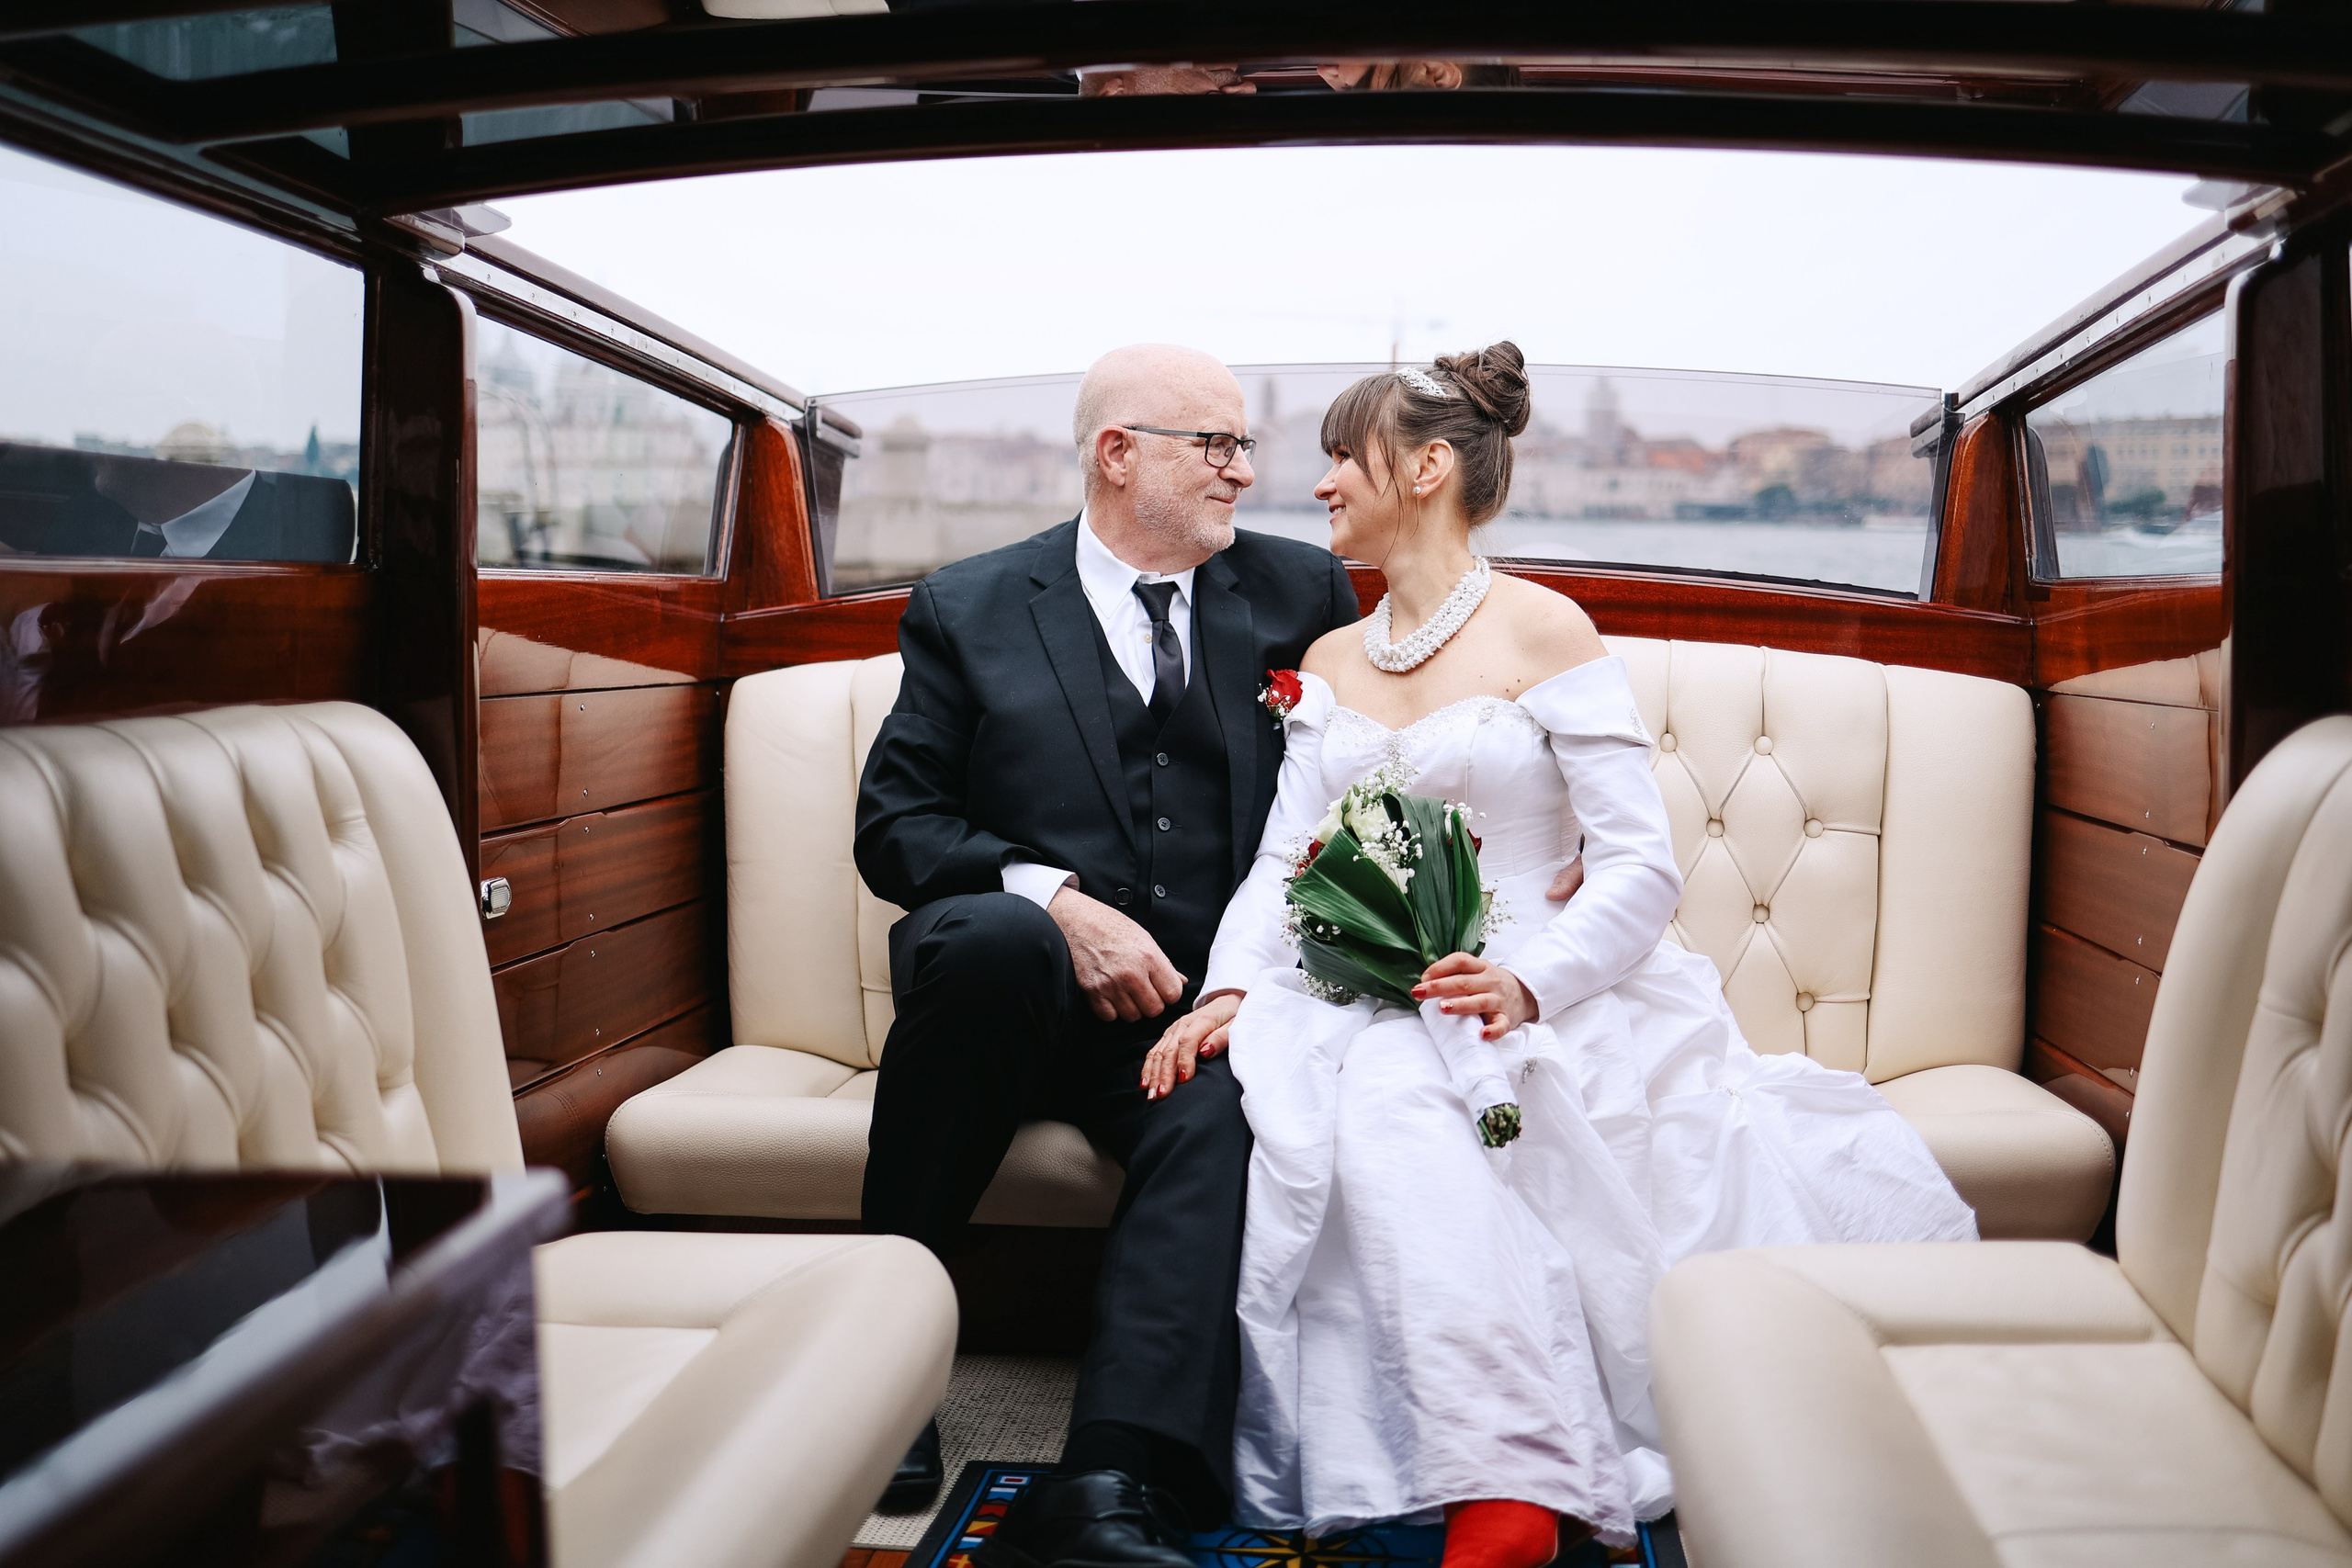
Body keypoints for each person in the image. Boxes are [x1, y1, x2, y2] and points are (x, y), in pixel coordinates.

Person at [1145, 344, 1976, 1563]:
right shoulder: (1328, 664)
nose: (1319, 484)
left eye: (1343, 457)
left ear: (1427, 467)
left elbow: (1639, 863)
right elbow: (1285, 862)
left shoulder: (1546, 629)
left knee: (1415, 1100)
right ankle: (1502, 1478)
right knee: (1359, 1096)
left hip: (1546, 977)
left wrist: (1530, 982)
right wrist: (1227, 989)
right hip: (1371, 981)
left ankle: (1509, 1491)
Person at [854, 344, 1360, 1568]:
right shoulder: (971, 605)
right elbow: (895, 827)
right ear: (1118, 454)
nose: (1244, 471)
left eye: (1245, 445)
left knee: (1234, 1102)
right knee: (994, 940)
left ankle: (1113, 1480)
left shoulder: (1302, 593)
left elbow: (1372, 776)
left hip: (1187, 1004)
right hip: (1003, 995)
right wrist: (1058, 902)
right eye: (1216, 445)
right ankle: (881, 1368)